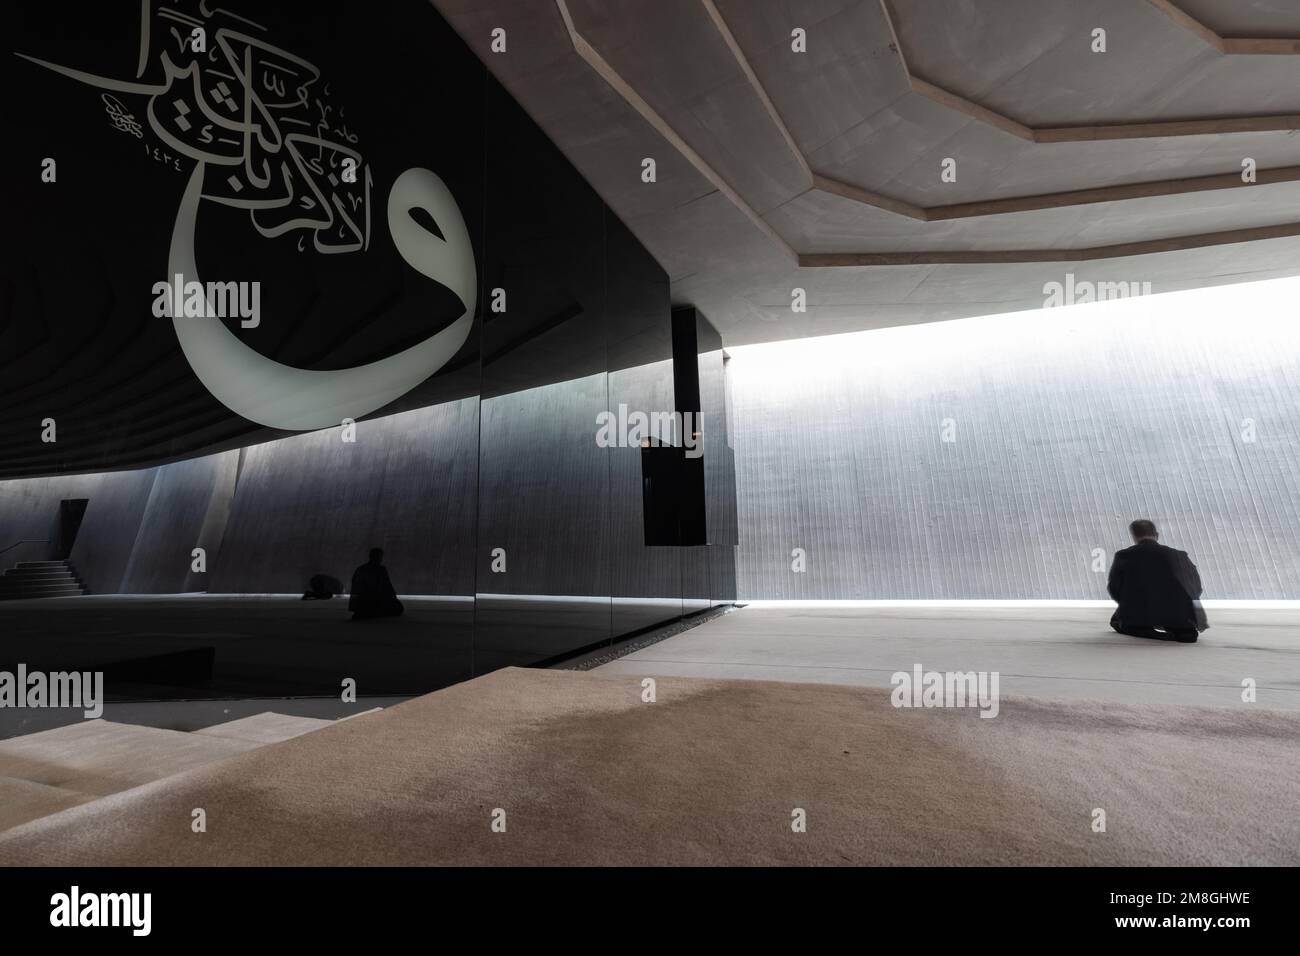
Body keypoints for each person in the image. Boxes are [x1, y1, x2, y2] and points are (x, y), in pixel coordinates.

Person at [1107, 519, 1206, 643]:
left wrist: (1128, 603)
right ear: (1157, 535)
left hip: (1142, 612)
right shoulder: (1180, 555)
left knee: (1116, 621)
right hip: (1178, 613)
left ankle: (1146, 630)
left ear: (1134, 536)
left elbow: (1114, 588)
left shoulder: (1124, 555)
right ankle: (1182, 629)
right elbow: (1196, 587)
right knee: (1177, 620)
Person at [348, 547, 404, 619]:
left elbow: (355, 589)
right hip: (371, 600)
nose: (380, 559)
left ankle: (368, 611)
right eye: (380, 557)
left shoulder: (361, 569)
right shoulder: (380, 570)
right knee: (397, 608)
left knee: (397, 608)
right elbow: (387, 587)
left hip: (365, 601)